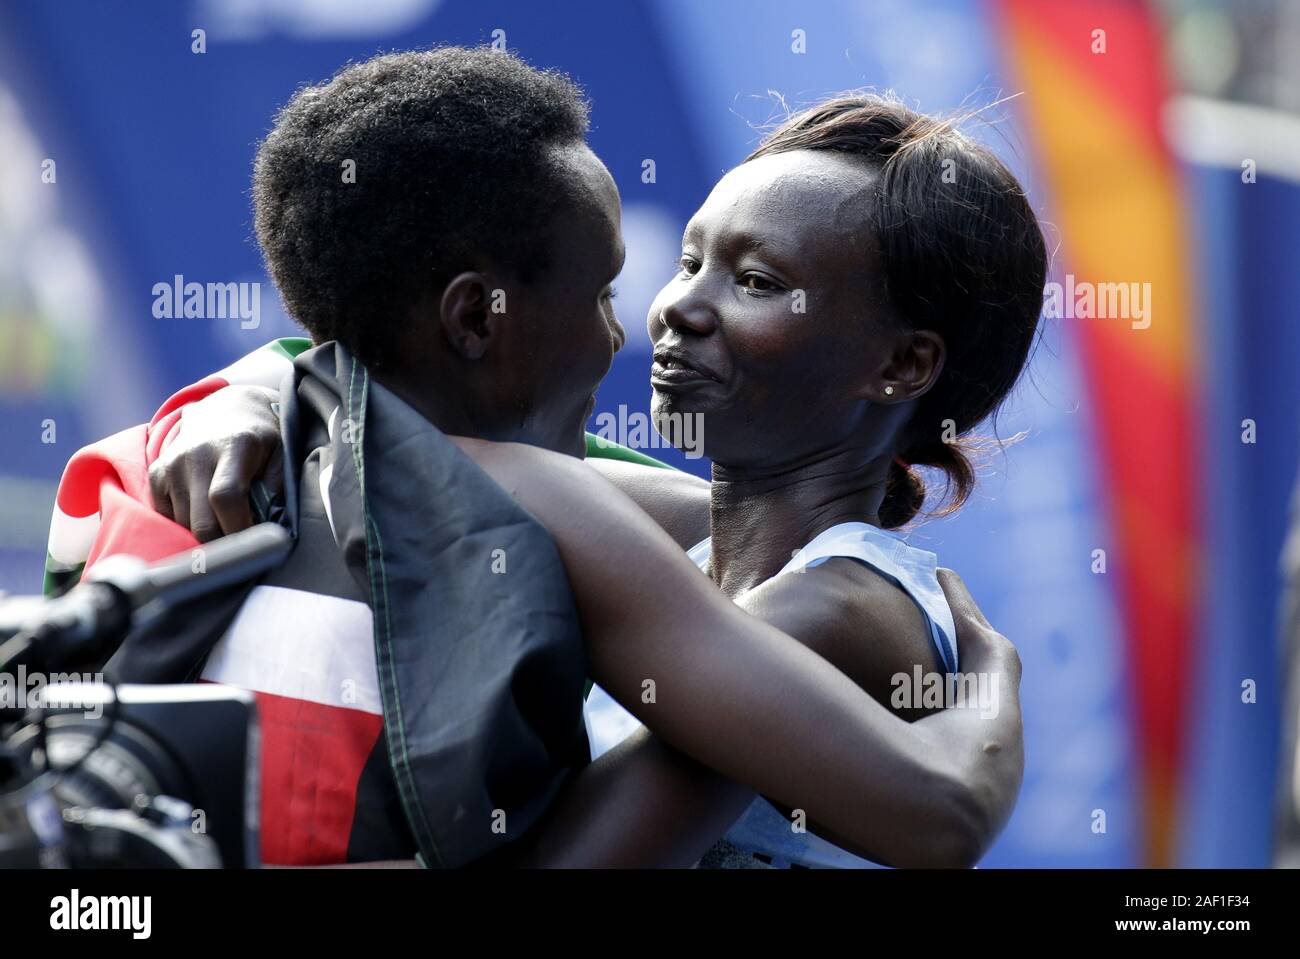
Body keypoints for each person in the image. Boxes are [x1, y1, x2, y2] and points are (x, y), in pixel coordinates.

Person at [49, 47, 1024, 868]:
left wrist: (990, 684)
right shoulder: (673, 527)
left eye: (758, 280)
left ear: (901, 365)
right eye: (689, 260)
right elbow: (403, 411)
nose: (673, 307)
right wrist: (251, 391)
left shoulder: (834, 607)